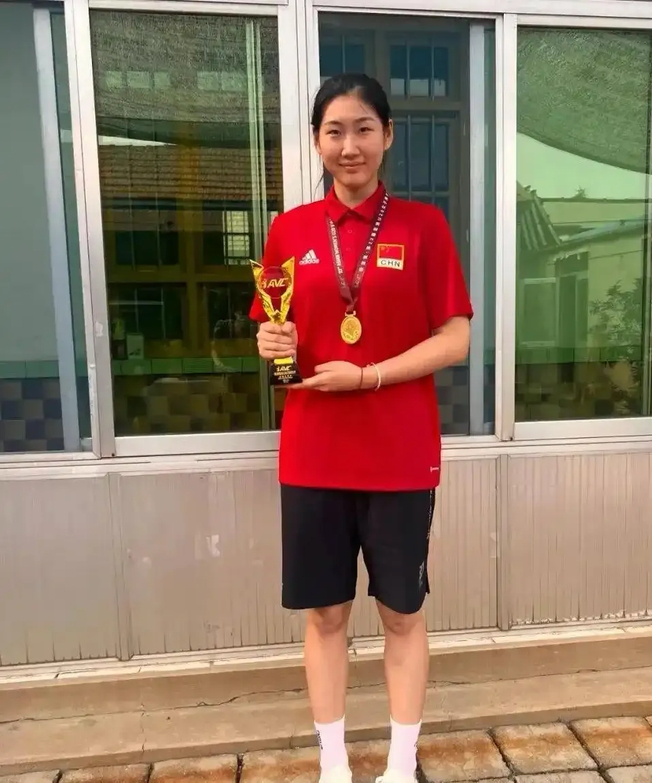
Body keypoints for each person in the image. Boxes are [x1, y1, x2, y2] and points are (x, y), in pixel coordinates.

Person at [250, 73, 473, 783]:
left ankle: (401, 763)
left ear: (388, 135)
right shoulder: (289, 230)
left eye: (364, 129)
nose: (350, 146)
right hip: (313, 453)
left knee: (401, 613)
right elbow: (276, 334)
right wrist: (271, 344)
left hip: (400, 455)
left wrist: (370, 374)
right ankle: (334, 763)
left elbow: (456, 338)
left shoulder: (423, 227)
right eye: (334, 131)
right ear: (316, 142)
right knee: (325, 615)